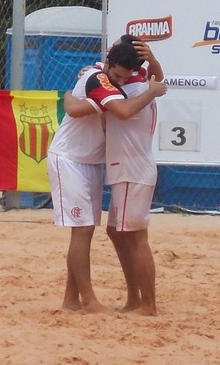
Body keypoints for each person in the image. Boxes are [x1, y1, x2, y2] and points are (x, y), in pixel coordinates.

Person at [47, 41, 167, 314]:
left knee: (100, 231)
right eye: (117, 75)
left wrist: (154, 79)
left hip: (104, 163)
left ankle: (131, 301)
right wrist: (155, 88)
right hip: (72, 158)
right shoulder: (102, 79)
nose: (120, 80)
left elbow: (78, 107)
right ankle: (85, 299)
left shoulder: (126, 84)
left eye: (126, 76)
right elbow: (81, 109)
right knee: (87, 230)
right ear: (109, 63)